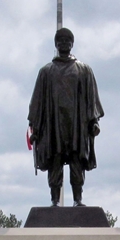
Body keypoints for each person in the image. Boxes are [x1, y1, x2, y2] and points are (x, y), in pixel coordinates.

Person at [28, 28, 104, 206]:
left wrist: (94, 121)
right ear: (56, 44)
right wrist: (35, 128)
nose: (64, 43)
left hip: (77, 125)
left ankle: (78, 199)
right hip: (54, 125)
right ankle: (54, 200)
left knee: (77, 161)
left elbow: (91, 99)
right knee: (55, 161)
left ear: (72, 43)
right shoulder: (46, 72)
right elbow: (37, 102)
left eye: (67, 40)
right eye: (60, 40)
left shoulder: (84, 70)